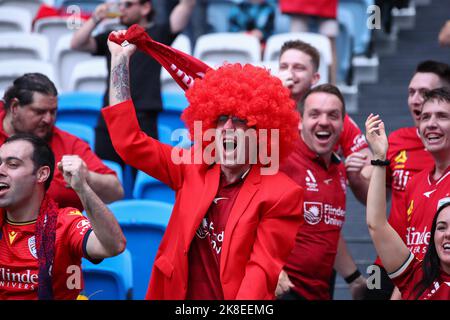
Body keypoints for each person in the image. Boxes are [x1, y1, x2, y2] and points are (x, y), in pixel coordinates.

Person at [101, 30, 303, 300]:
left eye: (241, 120)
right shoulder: (190, 166)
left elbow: (260, 272)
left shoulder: (281, 194)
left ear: (262, 132)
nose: (229, 128)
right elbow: (128, 142)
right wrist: (119, 62)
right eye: (221, 118)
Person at [277, 40, 370, 299]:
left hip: (320, 286)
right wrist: (268, 268)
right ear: (301, 121)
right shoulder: (274, 150)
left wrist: (352, 277)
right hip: (281, 286)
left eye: (298, 67)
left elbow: (324, 230)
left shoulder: (338, 168)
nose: (289, 74)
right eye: (283, 66)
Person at [70, 0, 196, 167]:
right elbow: (76, 44)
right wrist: (96, 18)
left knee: (150, 174)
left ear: (145, 8)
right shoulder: (113, 37)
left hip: (144, 117)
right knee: (107, 176)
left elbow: (186, 6)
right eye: (120, 5)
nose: (122, 9)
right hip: (110, 118)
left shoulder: (157, 33)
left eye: (128, 4)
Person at [0, 133, 126, 299]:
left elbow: (114, 245)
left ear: (41, 174)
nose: (1, 170)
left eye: (13, 164)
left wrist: (82, 188)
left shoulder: (65, 223)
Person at [366, 61, 450, 300]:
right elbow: (379, 226)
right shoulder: (415, 183)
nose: (431, 123)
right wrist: (379, 158)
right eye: (425, 117)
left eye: (442, 116)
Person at [1, 73, 123, 211]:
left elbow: (116, 191)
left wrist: (87, 177)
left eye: (53, 112)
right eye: (39, 112)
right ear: (15, 107)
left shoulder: (68, 143)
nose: (48, 119)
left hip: (57, 230)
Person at [278, 0, 338, 84]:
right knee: (296, 44)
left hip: (326, 4)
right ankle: (292, 84)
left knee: (328, 45)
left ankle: (332, 86)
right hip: (298, 5)